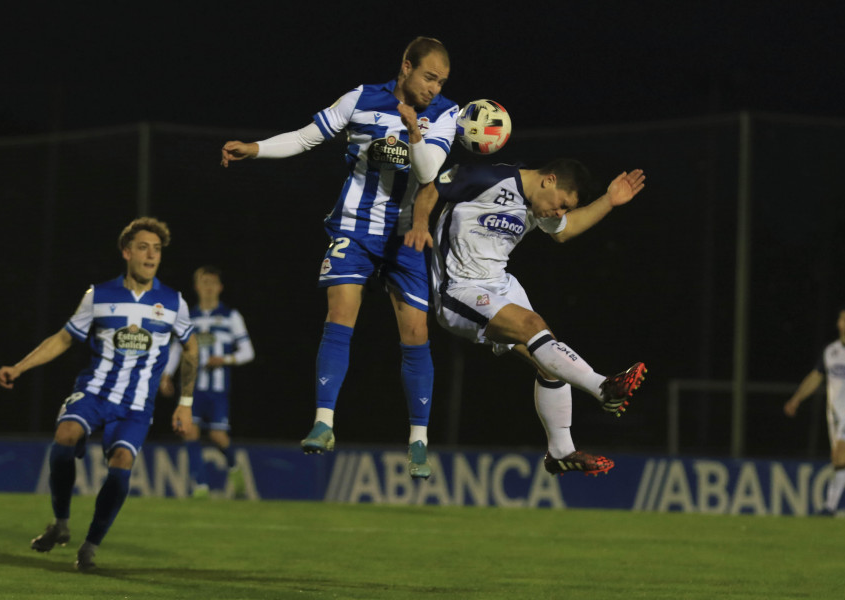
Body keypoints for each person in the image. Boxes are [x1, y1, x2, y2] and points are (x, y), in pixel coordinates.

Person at [220, 37, 459, 479]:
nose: (433, 88)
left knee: (416, 332)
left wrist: (413, 130)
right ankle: (324, 423)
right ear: (406, 66)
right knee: (340, 314)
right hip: (353, 226)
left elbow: (428, 173)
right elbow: (306, 138)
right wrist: (255, 148)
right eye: (428, 77)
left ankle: (419, 442)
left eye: (440, 81)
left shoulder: (445, 113)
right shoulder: (361, 98)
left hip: (406, 238)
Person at [0, 217, 198, 571]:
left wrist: (184, 403)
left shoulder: (173, 302)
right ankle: (61, 522)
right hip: (94, 392)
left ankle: (90, 545)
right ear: (126, 252)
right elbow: (63, 337)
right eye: (143, 247)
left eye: (157, 249)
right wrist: (20, 367)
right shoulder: (99, 295)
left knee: (121, 464)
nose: (151, 255)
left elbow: (192, 349)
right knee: (64, 435)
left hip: (136, 406)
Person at [426, 160, 647, 476]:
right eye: (562, 205)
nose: (559, 213)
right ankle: (604, 388)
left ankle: (560, 451)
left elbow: (564, 231)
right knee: (535, 328)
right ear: (549, 181)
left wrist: (609, 200)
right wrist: (417, 225)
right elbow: (431, 186)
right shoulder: (488, 177)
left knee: (551, 358)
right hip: (459, 288)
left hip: (498, 285)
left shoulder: (537, 206)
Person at [160, 265, 255, 499]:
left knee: (217, 437)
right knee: (189, 432)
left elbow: (248, 352)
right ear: (197, 287)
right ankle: (201, 487)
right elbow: (175, 349)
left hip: (217, 389)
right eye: (204, 282)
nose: (209, 287)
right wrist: (166, 375)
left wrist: (225, 359)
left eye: (213, 282)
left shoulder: (231, 316)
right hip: (191, 388)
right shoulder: (188, 317)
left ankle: (234, 466)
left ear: (220, 287)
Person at [784, 307, 845, 516]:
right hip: (834, 414)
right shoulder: (830, 351)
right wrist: (796, 399)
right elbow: (816, 377)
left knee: (840, 456)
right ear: (839, 324)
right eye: (844, 320)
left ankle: (829, 506)